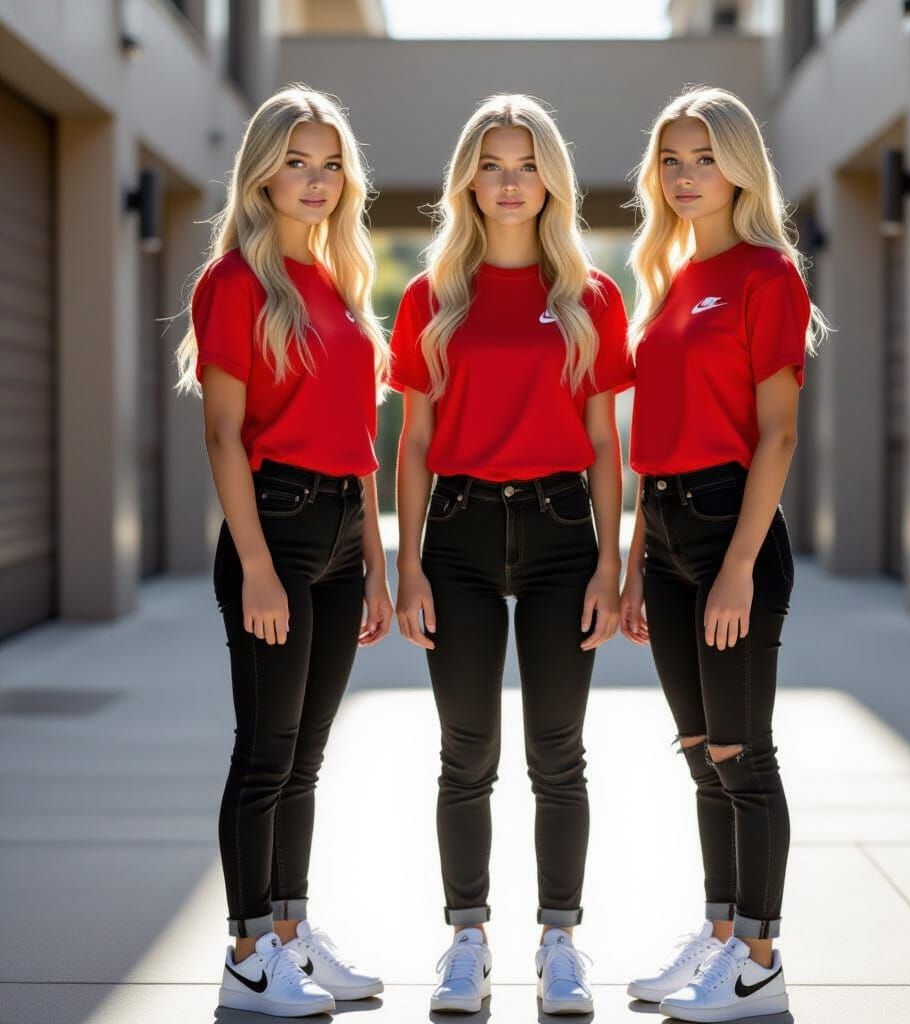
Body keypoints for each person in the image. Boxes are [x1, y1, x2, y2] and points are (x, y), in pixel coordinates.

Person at [390, 94, 632, 1015]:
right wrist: (406, 562)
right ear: (468, 180)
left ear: (550, 182)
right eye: (491, 165)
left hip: (561, 539)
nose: (509, 182)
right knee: (465, 751)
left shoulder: (589, 299)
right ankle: (465, 938)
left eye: (525, 165)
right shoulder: (430, 297)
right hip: (453, 537)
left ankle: (561, 941)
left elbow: (606, 445)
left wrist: (611, 563)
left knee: (558, 751)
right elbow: (412, 443)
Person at [176, 84, 392, 1018]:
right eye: (296, 162)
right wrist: (257, 565)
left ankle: (293, 938)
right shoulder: (234, 282)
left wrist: (377, 562)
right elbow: (224, 435)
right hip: (275, 524)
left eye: (330, 163)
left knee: (305, 758)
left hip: (343, 529)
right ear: (261, 172)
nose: (315, 180)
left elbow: (360, 434)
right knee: (264, 754)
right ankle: (247, 953)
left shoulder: (343, 283)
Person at [620, 85, 828, 1022]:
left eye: (704, 156)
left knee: (745, 756)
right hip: (663, 532)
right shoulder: (666, 278)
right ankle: (717, 939)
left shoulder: (768, 274)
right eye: (672, 159)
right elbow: (651, 435)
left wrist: (739, 563)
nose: (686, 175)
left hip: (728, 527)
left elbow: (777, 434)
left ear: (740, 165)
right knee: (703, 752)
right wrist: (633, 561)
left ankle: (759, 961)